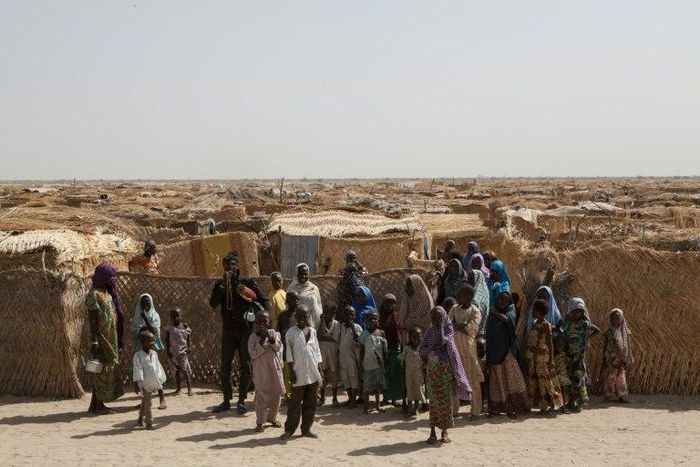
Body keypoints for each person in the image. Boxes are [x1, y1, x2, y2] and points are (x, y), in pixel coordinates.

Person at [209, 251, 268, 415]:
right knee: (225, 366)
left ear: (237, 267)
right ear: (223, 267)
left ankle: (241, 401)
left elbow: (264, 301)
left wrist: (262, 323)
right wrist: (223, 287)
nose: (230, 269)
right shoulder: (219, 285)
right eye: (227, 266)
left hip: (246, 330)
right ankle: (226, 400)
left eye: (233, 266)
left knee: (246, 365)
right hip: (228, 330)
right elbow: (213, 304)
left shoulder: (247, 282)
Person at [419, 306, 471, 444]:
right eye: (434, 318)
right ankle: (432, 433)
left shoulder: (448, 331)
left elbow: (443, 342)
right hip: (432, 371)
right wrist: (429, 356)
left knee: (446, 403)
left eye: (438, 318)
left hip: (446, 373)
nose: (435, 321)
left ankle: (444, 432)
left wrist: (441, 326)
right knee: (433, 404)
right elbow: (421, 349)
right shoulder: (429, 332)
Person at [485, 284, 531, 418]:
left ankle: (514, 407)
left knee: (511, 380)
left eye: (506, 300)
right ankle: (497, 408)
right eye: (501, 299)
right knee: (496, 382)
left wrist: (494, 311)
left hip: (507, 352)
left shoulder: (510, 311)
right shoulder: (492, 315)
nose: (503, 302)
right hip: (494, 353)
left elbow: (507, 320)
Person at [85, 263, 124, 414]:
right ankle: (99, 406)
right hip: (101, 338)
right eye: (111, 276)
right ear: (103, 277)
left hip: (110, 337)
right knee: (103, 370)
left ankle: (94, 404)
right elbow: (92, 320)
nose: (114, 279)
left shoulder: (107, 293)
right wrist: (94, 339)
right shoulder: (94, 294)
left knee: (100, 369)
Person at [281, 305, 323, 440]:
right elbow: (288, 353)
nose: (301, 319)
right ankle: (289, 430)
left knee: (311, 403)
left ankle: (306, 429)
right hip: (298, 373)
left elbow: (317, 351)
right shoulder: (291, 332)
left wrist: (320, 369)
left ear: (309, 317)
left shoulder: (313, 331)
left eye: (304, 316)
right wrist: (291, 371)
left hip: (312, 372)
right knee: (295, 403)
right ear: (295, 317)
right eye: (299, 316)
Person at [556, 297, 601, 412]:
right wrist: (563, 336)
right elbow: (557, 327)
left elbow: (597, 330)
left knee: (578, 378)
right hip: (568, 355)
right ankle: (571, 402)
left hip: (579, 356)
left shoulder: (584, 323)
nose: (578, 313)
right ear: (571, 310)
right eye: (576, 310)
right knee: (569, 379)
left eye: (580, 311)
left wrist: (586, 339)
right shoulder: (565, 321)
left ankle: (579, 403)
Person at [449, 285, 484, 419]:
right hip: (454, 349)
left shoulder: (475, 311)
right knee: (454, 380)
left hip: (468, 351)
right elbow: (448, 325)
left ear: (469, 297)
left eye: (461, 294)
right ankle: (453, 410)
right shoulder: (454, 309)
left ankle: (475, 410)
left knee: (473, 380)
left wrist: (458, 325)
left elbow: (471, 329)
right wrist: (462, 325)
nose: (458, 296)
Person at [248, 310, 285, 433]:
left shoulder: (274, 334)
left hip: (274, 371)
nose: (262, 324)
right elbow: (253, 354)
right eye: (259, 322)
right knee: (261, 398)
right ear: (255, 322)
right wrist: (261, 341)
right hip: (261, 372)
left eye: (265, 321)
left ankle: (272, 418)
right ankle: (260, 422)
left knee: (276, 397)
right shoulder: (253, 338)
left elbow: (279, 348)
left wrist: (271, 339)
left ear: (269, 322)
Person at [525, 299, 564, 414]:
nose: (534, 313)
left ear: (540, 312)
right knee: (534, 381)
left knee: (545, 381)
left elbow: (550, 343)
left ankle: (548, 405)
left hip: (543, 358)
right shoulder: (534, 324)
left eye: (535, 311)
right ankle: (539, 405)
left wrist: (551, 359)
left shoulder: (547, 326)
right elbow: (531, 341)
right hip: (533, 357)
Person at [130, 293, 166, 409]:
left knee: (156, 372)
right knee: (143, 376)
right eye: (143, 303)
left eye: (148, 302)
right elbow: (134, 332)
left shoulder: (155, 315)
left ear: (151, 303)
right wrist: (141, 329)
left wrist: (145, 320)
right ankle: (144, 401)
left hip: (152, 348)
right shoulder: (137, 316)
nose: (146, 304)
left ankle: (162, 399)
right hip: (140, 349)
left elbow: (155, 331)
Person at [133, 330, 166, 430]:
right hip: (144, 383)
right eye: (150, 341)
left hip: (154, 380)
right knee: (148, 403)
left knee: (145, 402)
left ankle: (139, 418)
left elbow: (158, 367)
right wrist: (137, 384)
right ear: (142, 342)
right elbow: (137, 369)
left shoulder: (154, 354)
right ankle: (149, 423)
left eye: (153, 341)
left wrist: (160, 378)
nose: (152, 344)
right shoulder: (138, 356)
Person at [360, 311, 388, 414]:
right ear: (366, 321)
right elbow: (362, 350)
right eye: (370, 319)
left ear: (378, 320)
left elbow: (385, 350)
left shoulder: (381, 333)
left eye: (375, 319)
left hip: (379, 365)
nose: (372, 321)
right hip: (368, 364)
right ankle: (365, 407)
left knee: (377, 386)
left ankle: (378, 406)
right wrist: (360, 363)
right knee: (367, 387)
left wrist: (385, 362)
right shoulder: (364, 334)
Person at [602, 308, 632, 403]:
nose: (615, 320)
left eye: (617, 318)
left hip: (620, 358)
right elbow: (605, 345)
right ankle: (609, 396)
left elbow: (628, 346)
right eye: (612, 318)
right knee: (610, 377)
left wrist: (626, 358)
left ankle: (622, 396)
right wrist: (604, 358)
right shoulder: (608, 332)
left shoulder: (626, 332)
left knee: (621, 377)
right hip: (610, 358)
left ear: (622, 319)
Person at [379, 294, 404, 407]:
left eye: (392, 303)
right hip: (382, 349)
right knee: (385, 374)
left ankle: (394, 398)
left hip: (395, 348)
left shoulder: (397, 316)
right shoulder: (380, 318)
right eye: (387, 303)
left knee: (395, 373)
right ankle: (385, 398)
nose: (389, 306)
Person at [164, 308, 193, 396]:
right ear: (171, 317)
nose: (176, 318)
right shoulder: (169, 328)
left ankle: (189, 389)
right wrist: (168, 351)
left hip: (183, 352)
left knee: (185, 370)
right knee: (176, 371)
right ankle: (178, 388)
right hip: (173, 353)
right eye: (173, 316)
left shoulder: (184, 326)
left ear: (181, 316)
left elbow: (188, 338)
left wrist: (189, 347)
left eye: (178, 315)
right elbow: (166, 340)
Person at [317, 301, 340, 407]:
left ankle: (335, 397)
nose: (326, 314)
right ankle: (322, 397)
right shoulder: (320, 323)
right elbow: (318, 336)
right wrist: (322, 321)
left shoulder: (336, 324)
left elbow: (334, 339)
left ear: (333, 313)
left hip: (332, 355)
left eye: (328, 312)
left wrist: (323, 337)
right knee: (323, 376)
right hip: (322, 354)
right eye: (324, 312)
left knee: (333, 375)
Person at [399, 327, 427, 417]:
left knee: (418, 390)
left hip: (419, 375)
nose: (417, 339)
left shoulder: (422, 349)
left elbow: (425, 362)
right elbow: (402, 361)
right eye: (414, 337)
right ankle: (409, 409)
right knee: (410, 390)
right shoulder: (407, 348)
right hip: (408, 374)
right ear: (410, 338)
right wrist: (402, 372)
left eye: (419, 337)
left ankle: (415, 408)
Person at [338, 306, 362, 408]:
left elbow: (359, 341)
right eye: (347, 314)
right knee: (345, 378)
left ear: (355, 316)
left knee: (353, 378)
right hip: (342, 358)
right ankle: (350, 398)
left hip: (352, 358)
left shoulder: (357, 327)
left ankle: (354, 400)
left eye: (352, 314)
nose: (349, 316)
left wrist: (352, 328)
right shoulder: (341, 326)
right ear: (344, 316)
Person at [278, 290, 299, 400]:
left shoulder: (300, 315)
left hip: (298, 350)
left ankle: (297, 394)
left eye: (296, 299)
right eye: (291, 299)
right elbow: (278, 332)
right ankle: (289, 395)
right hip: (286, 350)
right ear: (287, 301)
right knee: (287, 374)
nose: (294, 302)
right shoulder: (282, 316)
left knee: (298, 372)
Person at [287, 263, 323, 328]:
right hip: (296, 323)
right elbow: (287, 306)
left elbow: (319, 305)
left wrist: (319, 322)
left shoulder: (314, 288)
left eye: (305, 274)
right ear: (296, 274)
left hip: (312, 323)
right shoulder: (291, 288)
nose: (303, 276)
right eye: (300, 274)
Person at [402, 274, 434, 341]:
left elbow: (422, 319)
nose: (406, 288)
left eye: (410, 285)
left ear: (416, 285)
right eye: (406, 285)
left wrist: (407, 322)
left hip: (424, 334)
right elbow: (402, 314)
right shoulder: (407, 297)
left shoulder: (425, 299)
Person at [468, 269, 490, 336]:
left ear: (477, 278)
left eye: (471, 278)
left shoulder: (475, 298)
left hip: (473, 329)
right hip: (480, 329)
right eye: (469, 278)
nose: (469, 280)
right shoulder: (485, 290)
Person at [553, 335, 570, 410]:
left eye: (561, 345)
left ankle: (564, 406)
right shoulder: (552, 355)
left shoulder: (564, 355)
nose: (559, 347)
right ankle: (554, 405)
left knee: (564, 391)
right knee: (555, 392)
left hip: (563, 376)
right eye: (557, 345)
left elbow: (568, 362)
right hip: (555, 376)